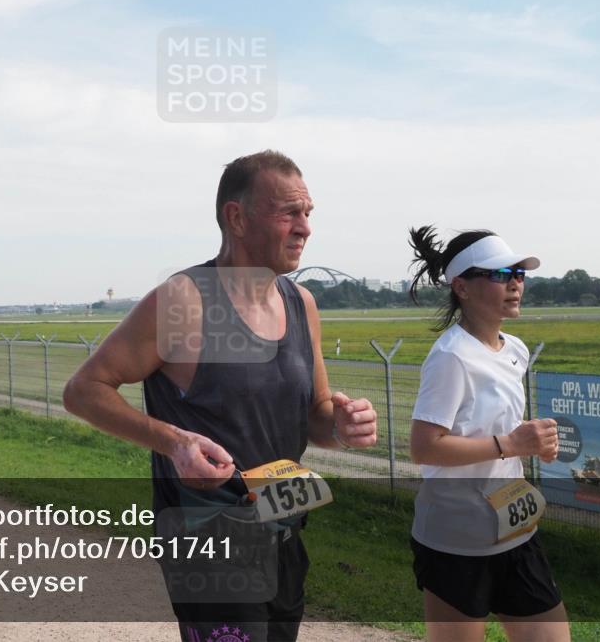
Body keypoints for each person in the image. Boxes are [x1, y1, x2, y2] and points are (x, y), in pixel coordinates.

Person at [64, 150, 378, 642]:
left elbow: (316, 416)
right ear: (236, 217)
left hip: (284, 528)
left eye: (308, 213)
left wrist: (342, 424)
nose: (305, 228)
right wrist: (174, 442)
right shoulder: (184, 300)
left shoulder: (303, 304)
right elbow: (83, 390)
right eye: (288, 213)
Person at [406, 226, 569, 642]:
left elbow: (499, 428)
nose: (515, 283)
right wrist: (512, 444)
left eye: (519, 273)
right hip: (455, 539)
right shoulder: (450, 357)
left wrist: (533, 443)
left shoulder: (514, 348)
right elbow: (424, 447)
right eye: (500, 274)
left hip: (514, 528)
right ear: (461, 286)